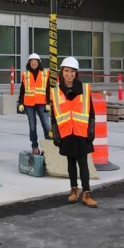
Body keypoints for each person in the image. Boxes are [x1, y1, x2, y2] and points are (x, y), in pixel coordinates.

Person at [50, 57, 98, 208]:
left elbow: (91, 112)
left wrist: (91, 130)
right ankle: (73, 190)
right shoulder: (55, 91)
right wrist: (56, 134)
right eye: (66, 71)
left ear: (76, 73)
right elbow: (54, 115)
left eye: (72, 71)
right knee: (71, 162)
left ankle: (87, 193)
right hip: (66, 132)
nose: (69, 74)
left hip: (81, 132)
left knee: (83, 163)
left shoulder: (84, 89)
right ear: (62, 72)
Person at [17, 53, 50, 155]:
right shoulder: (25, 75)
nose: (34, 63)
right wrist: (21, 103)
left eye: (35, 62)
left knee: (46, 125)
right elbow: (22, 90)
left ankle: (49, 146)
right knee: (32, 126)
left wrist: (49, 102)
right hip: (29, 104)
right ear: (29, 63)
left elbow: (49, 89)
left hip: (42, 102)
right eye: (32, 62)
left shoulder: (45, 73)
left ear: (38, 63)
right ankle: (34, 147)